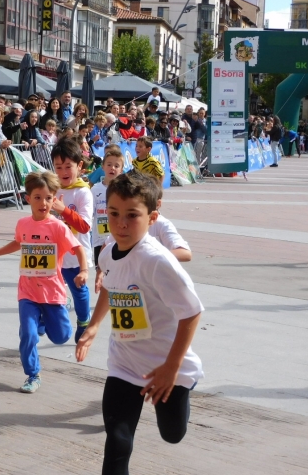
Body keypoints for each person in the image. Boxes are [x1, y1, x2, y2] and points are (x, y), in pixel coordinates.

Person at [75, 172, 203, 475]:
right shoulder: (107, 251)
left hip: (166, 365)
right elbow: (110, 283)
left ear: (152, 217)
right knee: (117, 442)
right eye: (114, 214)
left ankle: (184, 390)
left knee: (172, 434)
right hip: (124, 364)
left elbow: (192, 312)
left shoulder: (158, 261)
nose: (121, 224)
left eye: (132, 215)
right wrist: (93, 325)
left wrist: (171, 367)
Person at [0, 171, 88, 393]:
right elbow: (18, 243)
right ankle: (32, 374)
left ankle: (53, 316)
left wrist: (84, 270)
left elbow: (78, 248)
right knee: (27, 334)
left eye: (48, 198)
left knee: (61, 337)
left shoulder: (58, 227)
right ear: (28, 199)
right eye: (38, 197)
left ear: (54, 198)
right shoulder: (23, 224)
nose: (44, 203)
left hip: (53, 291)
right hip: (27, 292)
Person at [50, 139, 94, 342]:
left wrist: (63, 210)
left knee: (79, 290)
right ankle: (47, 319)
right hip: (54, 254)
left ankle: (84, 321)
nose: (63, 171)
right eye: (59, 167)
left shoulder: (83, 192)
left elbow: (85, 226)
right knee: (48, 287)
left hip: (76, 254)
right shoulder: (52, 189)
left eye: (68, 166)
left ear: (79, 166)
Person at [92, 146, 125, 293]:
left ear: (122, 169)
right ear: (103, 167)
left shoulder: (125, 190)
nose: (113, 168)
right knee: (101, 269)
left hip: (119, 238)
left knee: (118, 267)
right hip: (100, 239)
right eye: (109, 164)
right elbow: (89, 214)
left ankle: (117, 291)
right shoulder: (95, 190)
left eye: (117, 166)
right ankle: (105, 294)